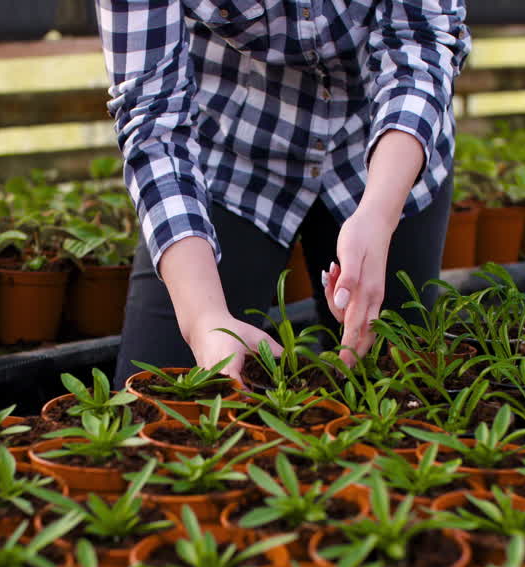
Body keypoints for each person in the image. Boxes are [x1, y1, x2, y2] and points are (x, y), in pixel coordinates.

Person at [99, 0, 471, 384]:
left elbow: (421, 42)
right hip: (232, 147)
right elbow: (152, 115)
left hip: (381, 146)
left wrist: (379, 214)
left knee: (393, 385)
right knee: (162, 394)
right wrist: (203, 319)